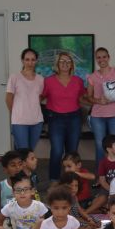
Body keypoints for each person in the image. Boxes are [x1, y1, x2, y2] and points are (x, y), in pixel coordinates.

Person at [41, 52, 87, 181]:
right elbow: (40, 97)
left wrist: (99, 101)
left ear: (72, 64)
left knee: (72, 152)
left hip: (74, 118)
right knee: (56, 151)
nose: (65, 64)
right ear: (57, 64)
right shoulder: (48, 81)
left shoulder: (78, 81)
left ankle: (71, 181)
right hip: (55, 118)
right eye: (62, 61)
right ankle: (54, 180)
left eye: (68, 61)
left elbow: (83, 99)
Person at [87, 47, 115, 170]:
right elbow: (88, 97)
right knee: (100, 146)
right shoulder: (92, 76)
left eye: (104, 56)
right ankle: (101, 175)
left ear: (108, 57)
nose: (101, 59)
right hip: (98, 116)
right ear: (96, 59)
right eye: (98, 57)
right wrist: (99, 100)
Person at [6, 48, 44, 150]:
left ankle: (27, 166)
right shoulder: (15, 77)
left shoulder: (40, 79)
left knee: (30, 152)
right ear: (22, 60)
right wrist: (15, 112)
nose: (30, 62)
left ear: (36, 61)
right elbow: (8, 98)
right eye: (27, 59)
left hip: (37, 121)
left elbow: (40, 98)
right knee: (23, 152)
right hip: (19, 121)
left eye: (33, 59)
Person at [0, 150, 24, 229]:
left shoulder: (29, 185)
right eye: (13, 165)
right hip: (7, 226)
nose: (18, 168)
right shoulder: (0, 186)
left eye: (20, 164)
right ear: (5, 169)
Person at [93, 134, 115, 214]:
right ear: (109, 149)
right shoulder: (103, 163)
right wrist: (112, 190)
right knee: (102, 198)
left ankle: (105, 208)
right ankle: (88, 211)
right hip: (108, 188)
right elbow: (102, 181)